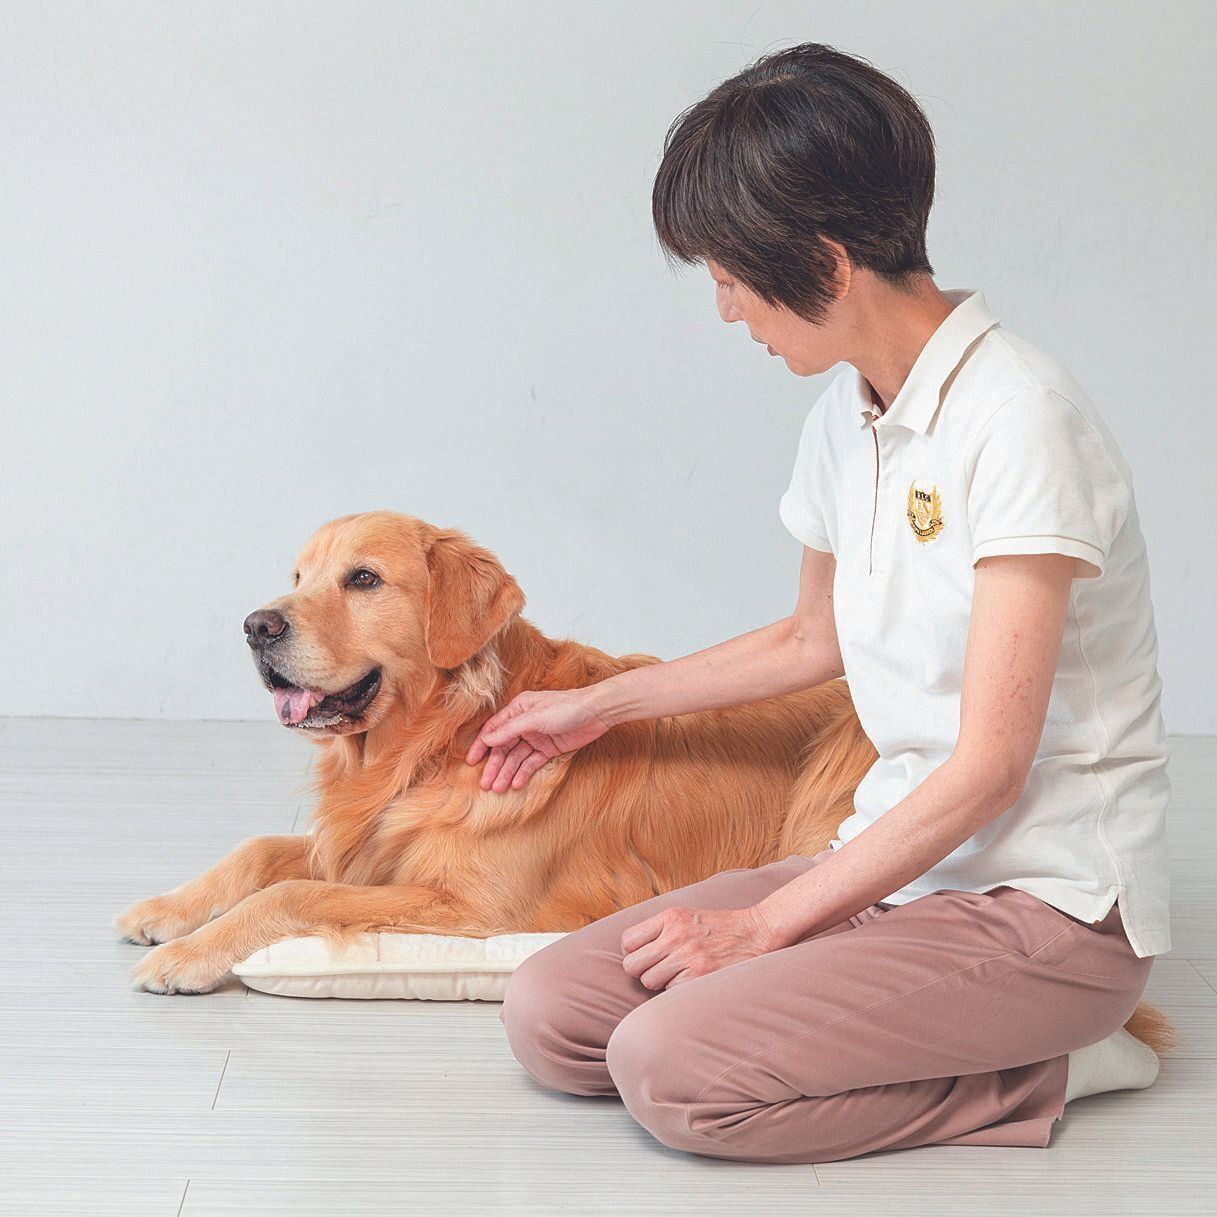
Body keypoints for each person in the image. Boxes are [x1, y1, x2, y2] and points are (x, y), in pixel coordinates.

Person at [463, 42, 1171, 1164]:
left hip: (1038, 911)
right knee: (554, 1015)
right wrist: (596, 708)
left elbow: (989, 767)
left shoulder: (1020, 418)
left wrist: (760, 927)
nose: (725, 305)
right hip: (892, 867)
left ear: (827, 264)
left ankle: (1059, 1060)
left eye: (731, 273)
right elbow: (814, 636)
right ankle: (864, 999)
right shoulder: (846, 415)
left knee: (671, 1073)